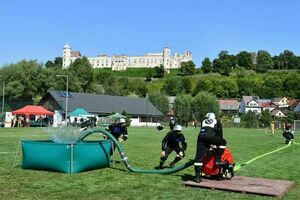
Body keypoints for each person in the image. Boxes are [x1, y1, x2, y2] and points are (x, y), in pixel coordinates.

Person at [194, 113, 227, 183]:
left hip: (200, 136)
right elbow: (219, 134)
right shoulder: (216, 121)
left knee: (199, 156)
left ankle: (197, 177)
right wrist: (216, 145)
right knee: (223, 142)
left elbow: (204, 131)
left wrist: (209, 146)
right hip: (210, 136)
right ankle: (217, 160)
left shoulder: (204, 121)